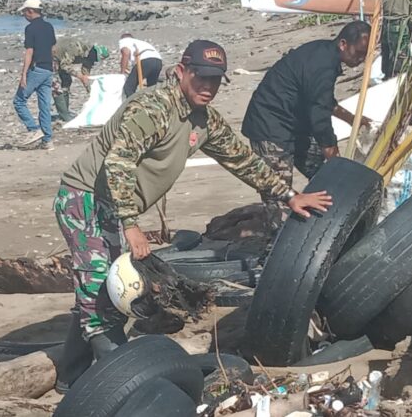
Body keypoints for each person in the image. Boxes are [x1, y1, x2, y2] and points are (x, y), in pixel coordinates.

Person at [52, 40, 333, 392]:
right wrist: (132, 225)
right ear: (181, 72)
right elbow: (118, 163)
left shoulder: (205, 120)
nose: (208, 87)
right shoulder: (153, 107)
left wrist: (290, 196)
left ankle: (69, 377)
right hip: (86, 199)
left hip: (117, 207)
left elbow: (242, 160)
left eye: (216, 81)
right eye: (201, 77)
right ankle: (124, 386)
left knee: (100, 291)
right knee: (100, 293)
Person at [241, 21, 373, 227]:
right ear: (343, 44)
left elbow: (323, 100)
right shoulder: (321, 64)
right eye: (359, 52)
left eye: (365, 55)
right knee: (280, 196)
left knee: (327, 177)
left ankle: (328, 225)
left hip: (294, 126)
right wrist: (333, 154)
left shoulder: (326, 55)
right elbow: (319, 117)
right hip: (269, 126)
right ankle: (276, 246)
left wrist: (355, 119)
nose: (360, 59)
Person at [14, 0, 56, 150]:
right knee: (44, 106)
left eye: (25, 12)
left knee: (19, 101)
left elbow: (29, 51)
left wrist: (24, 74)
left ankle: (33, 129)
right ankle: (47, 140)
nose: (24, 15)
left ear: (30, 11)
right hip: (48, 69)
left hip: (37, 68)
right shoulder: (49, 26)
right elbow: (53, 48)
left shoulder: (30, 29)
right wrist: (54, 67)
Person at [52, 38, 109, 122]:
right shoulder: (76, 48)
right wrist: (80, 76)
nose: (94, 60)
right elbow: (65, 65)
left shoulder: (90, 57)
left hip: (62, 61)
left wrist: (89, 90)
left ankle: (65, 110)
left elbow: (86, 71)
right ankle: (63, 114)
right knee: (56, 86)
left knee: (67, 82)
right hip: (53, 57)